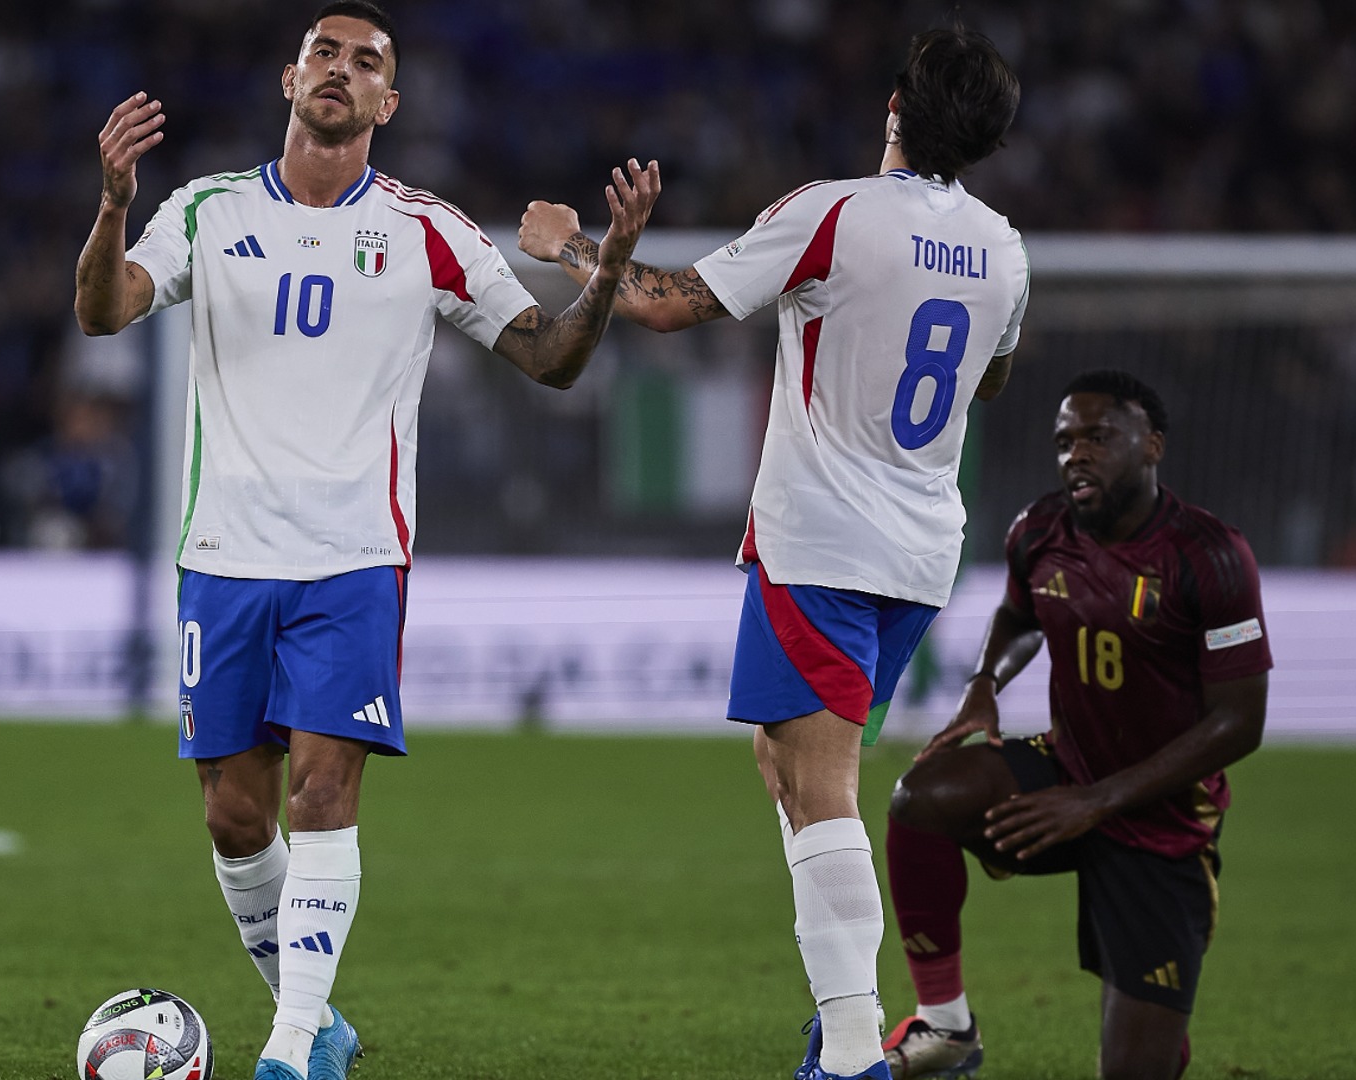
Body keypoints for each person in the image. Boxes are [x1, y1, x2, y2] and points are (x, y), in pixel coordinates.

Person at [72, 4, 658, 1079]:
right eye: (324, 54)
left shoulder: (429, 228)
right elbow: (107, 312)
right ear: (287, 80)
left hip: (352, 558)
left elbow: (549, 360)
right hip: (224, 557)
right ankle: (319, 1019)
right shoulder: (203, 209)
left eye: (367, 63)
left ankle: (292, 1047)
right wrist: (113, 210)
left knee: (324, 794)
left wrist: (607, 268)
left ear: (390, 103)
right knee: (235, 816)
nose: (340, 70)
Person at [519, 24, 1025, 1080]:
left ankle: (851, 1052)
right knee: (790, 769)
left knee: (821, 780)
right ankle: (839, 1026)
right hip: (923, 552)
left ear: (895, 103)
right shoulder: (1004, 248)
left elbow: (663, 305)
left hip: (824, 542)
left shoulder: (832, 212)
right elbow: (990, 379)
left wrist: (573, 244)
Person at [882, 371, 1272, 1080]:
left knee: (1133, 1070)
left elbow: (1240, 725)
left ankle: (1159, 1039)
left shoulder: (1210, 555)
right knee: (921, 798)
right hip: (1066, 772)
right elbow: (1020, 615)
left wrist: (1094, 803)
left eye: (1098, 437)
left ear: (1151, 446)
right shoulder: (1040, 530)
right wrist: (983, 683)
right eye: (1065, 441)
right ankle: (946, 1027)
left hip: (1161, 826)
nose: (1076, 455)